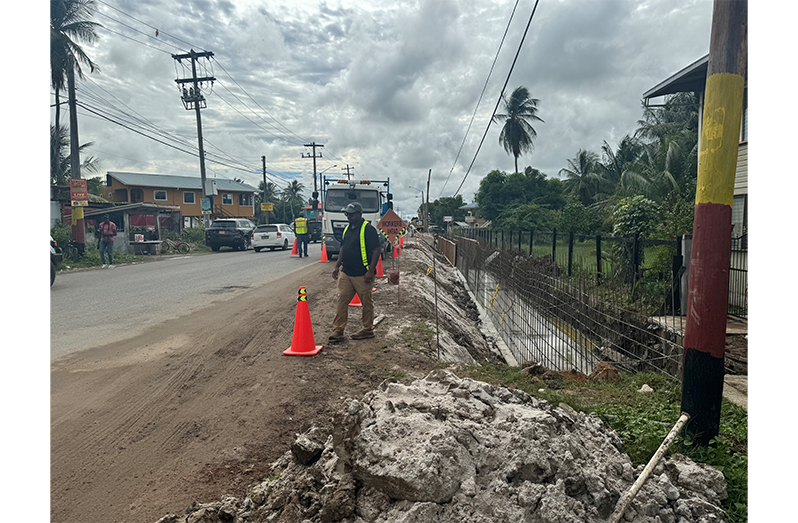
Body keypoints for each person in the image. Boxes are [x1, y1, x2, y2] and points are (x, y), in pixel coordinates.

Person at [329, 202, 382, 341]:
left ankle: (367, 329)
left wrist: (371, 271)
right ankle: (338, 330)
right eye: (347, 214)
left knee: (366, 302)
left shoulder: (368, 229)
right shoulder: (347, 229)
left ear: (359, 214)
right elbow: (343, 249)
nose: (348, 216)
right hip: (346, 272)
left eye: (351, 214)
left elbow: (376, 250)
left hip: (362, 274)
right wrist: (337, 266)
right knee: (342, 300)